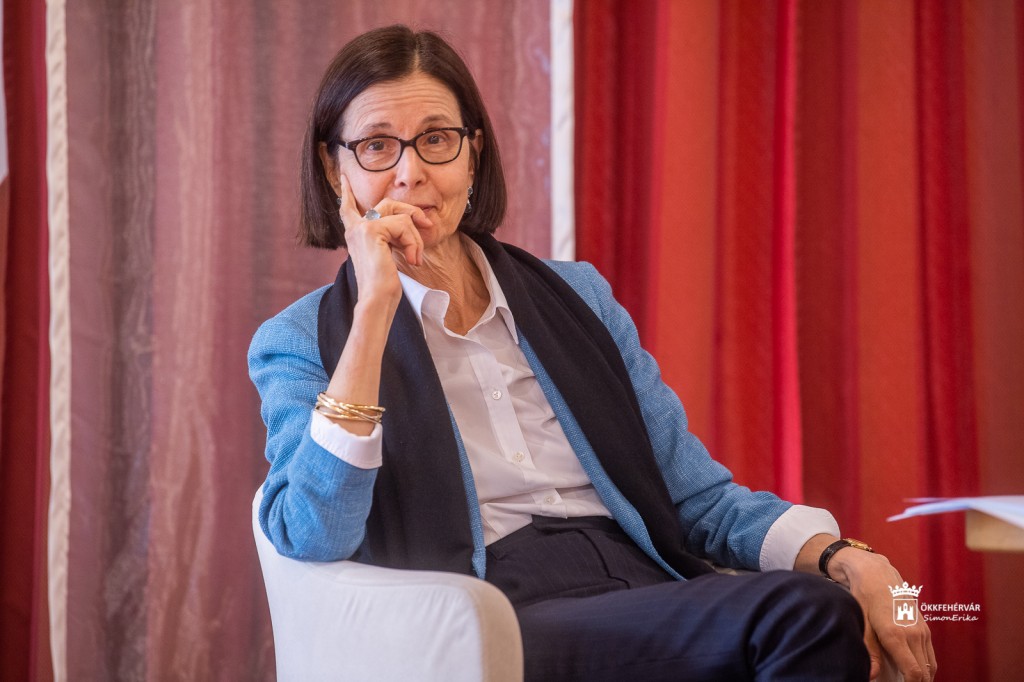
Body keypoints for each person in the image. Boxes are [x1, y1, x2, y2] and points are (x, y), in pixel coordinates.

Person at [249, 24, 936, 681]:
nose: (410, 173)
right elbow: (311, 534)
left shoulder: (577, 295)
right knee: (808, 617)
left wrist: (846, 556)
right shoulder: (302, 339)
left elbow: (696, 497)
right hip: (491, 611)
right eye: (376, 146)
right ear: (335, 170)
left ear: (473, 153)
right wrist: (373, 310)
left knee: (830, 604)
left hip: (642, 581)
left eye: (436, 139)